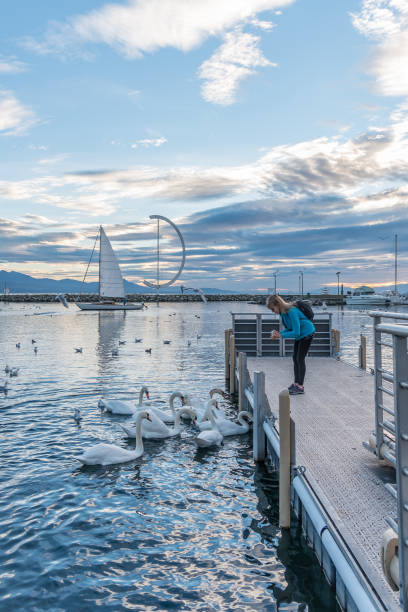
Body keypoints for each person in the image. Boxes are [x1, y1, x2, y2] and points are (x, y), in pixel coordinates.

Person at [266, 294, 315, 395]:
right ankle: (296, 383)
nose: (273, 311)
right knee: (295, 358)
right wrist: (279, 334)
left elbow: (296, 332)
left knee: (300, 359)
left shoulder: (292, 311)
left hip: (307, 333)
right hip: (300, 335)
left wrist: (280, 335)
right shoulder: (283, 314)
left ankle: (300, 387)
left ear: (278, 304)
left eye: (272, 309)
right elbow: (289, 328)